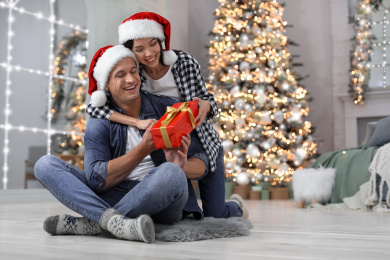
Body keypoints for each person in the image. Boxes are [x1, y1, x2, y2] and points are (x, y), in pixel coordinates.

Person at [34, 45, 213, 243]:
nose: (130, 79)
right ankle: (116, 223)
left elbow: (202, 161)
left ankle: (95, 222)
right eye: (120, 75)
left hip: (162, 199)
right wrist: (143, 148)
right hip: (114, 194)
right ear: (107, 86)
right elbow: (96, 179)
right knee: (45, 165)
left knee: (171, 172)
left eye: (133, 71)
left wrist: (183, 166)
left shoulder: (166, 107)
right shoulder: (100, 121)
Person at [87, 12, 247, 219]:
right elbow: (96, 108)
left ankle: (236, 206)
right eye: (139, 49)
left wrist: (206, 105)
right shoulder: (136, 75)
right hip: (171, 142)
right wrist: (137, 122)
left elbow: (208, 99)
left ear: (161, 41)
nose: (148, 53)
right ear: (132, 52)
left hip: (201, 139)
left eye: (153, 44)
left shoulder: (184, 63)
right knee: (181, 196)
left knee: (216, 213)